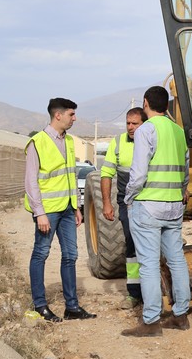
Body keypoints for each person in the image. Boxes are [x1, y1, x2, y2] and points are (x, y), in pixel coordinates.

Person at [121, 86, 191, 336]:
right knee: (176, 261)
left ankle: (151, 322)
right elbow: (185, 170)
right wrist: (182, 190)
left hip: (148, 205)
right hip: (174, 206)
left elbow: (138, 173)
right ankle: (181, 316)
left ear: (146, 103)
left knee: (148, 264)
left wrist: (129, 197)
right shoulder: (179, 132)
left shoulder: (146, 130)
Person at [24, 97, 96, 323]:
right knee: (41, 253)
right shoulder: (38, 142)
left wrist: (76, 207)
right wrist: (40, 213)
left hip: (67, 209)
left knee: (71, 255)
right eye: (71, 114)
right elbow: (31, 182)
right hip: (48, 211)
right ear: (58, 115)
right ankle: (40, 305)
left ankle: (71, 307)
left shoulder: (70, 141)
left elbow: (70, 175)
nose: (74, 118)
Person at [100, 107, 147, 309]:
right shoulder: (118, 143)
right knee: (132, 243)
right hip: (126, 202)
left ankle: (153, 291)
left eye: (134, 123)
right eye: (128, 123)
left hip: (149, 200)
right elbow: (106, 173)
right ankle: (134, 293)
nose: (130, 127)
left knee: (152, 244)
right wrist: (107, 203)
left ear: (144, 124)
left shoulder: (151, 140)